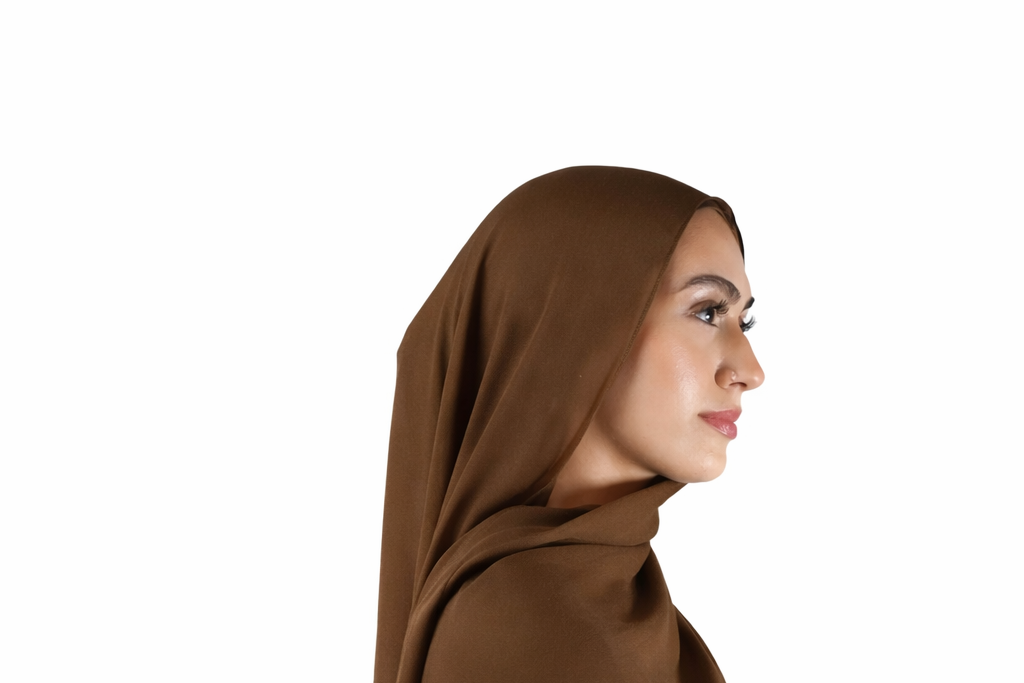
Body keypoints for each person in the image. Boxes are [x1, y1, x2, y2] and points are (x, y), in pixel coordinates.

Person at [374, 166, 764, 683]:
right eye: (708, 312)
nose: (750, 371)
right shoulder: (532, 625)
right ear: (581, 325)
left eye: (745, 321)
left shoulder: (606, 592)